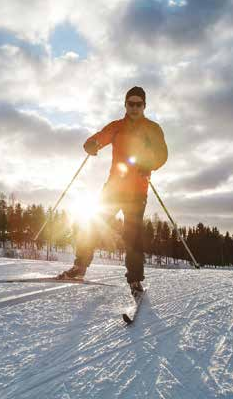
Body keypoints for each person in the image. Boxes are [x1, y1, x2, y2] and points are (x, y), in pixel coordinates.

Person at [56, 86, 168, 295]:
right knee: (93, 225)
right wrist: (91, 144)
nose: (134, 107)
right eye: (130, 103)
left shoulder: (153, 128)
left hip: (137, 191)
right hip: (114, 188)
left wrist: (149, 164)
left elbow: (162, 153)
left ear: (144, 106)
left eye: (138, 104)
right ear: (125, 105)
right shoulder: (117, 126)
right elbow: (102, 136)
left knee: (133, 236)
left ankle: (135, 280)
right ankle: (80, 267)